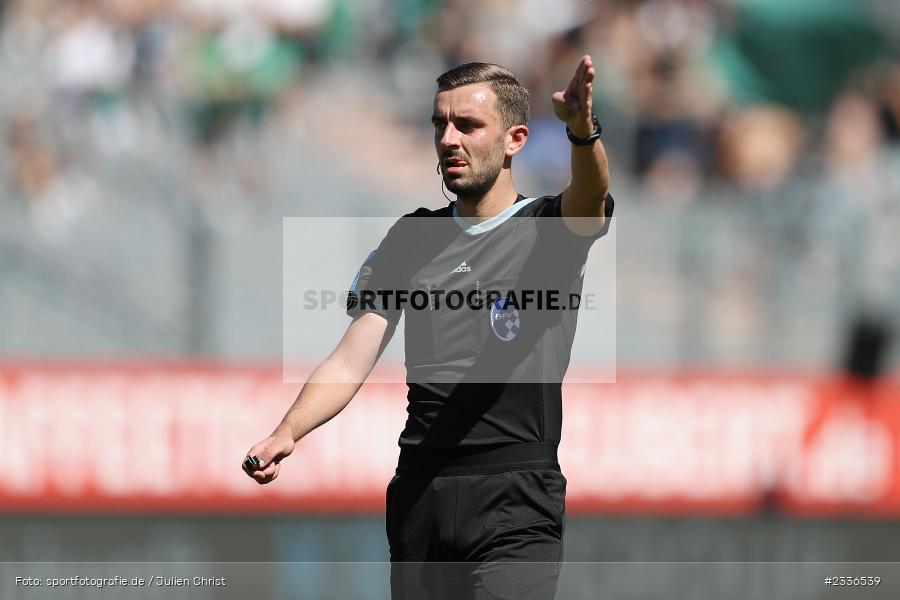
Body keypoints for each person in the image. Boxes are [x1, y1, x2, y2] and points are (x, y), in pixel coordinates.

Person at [243, 56, 613, 599]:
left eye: (467, 125)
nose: (448, 139)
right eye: (439, 124)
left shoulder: (549, 228)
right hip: (422, 491)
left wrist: (582, 130)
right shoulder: (411, 238)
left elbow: (590, 200)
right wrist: (288, 429)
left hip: (515, 493)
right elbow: (351, 357)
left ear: (515, 139)